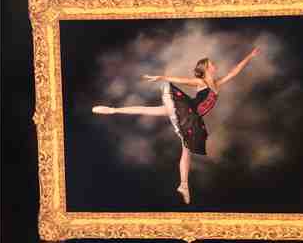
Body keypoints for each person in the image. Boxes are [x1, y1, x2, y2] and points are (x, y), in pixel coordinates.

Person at [92, 47, 261, 204]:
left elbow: (234, 71)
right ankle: (113, 110)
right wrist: (162, 78)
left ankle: (184, 185)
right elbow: (182, 80)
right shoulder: (201, 82)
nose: (214, 65)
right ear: (206, 68)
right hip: (187, 111)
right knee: (155, 108)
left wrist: (250, 57)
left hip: (192, 119)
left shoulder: (217, 83)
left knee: (184, 149)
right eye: (211, 63)